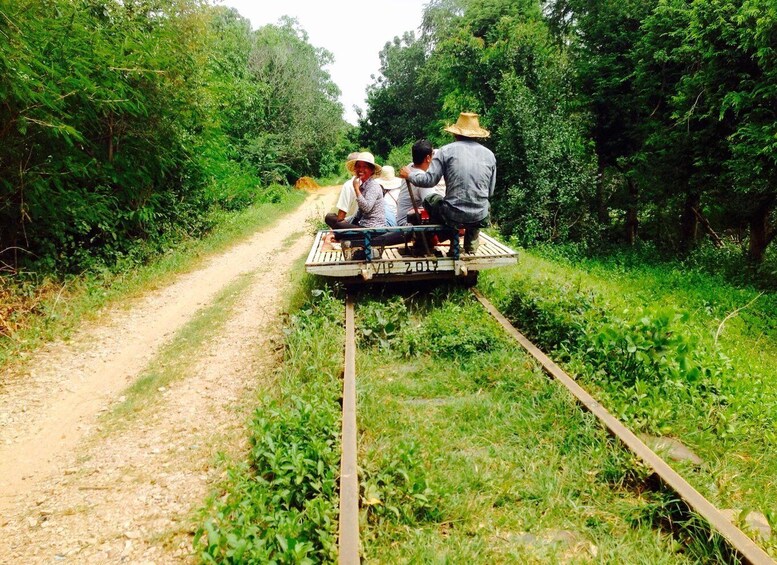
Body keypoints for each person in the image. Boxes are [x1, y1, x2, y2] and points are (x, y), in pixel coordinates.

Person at [399, 112, 496, 253]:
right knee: (483, 205)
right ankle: (471, 246)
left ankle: (452, 244)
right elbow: (490, 191)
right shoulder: (489, 155)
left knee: (432, 200)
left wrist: (409, 175)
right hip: (479, 216)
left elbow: (429, 181)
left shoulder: (445, 151)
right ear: (477, 135)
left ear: (455, 134)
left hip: (452, 216)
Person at [327, 152, 386, 239]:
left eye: (365, 167)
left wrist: (356, 189)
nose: (360, 169)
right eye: (358, 166)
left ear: (371, 170)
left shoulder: (373, 186)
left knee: (338, 225)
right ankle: (340, 233)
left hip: (372, 230)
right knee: (330, 217)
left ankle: (339, 234)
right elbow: (359, 214)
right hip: (363, 226)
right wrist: (346, 221)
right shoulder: (364, 185)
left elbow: (366, 208)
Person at [395, 139, 446, 226]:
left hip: (402, 220)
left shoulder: (409, 168)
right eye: (433, 154)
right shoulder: (422, 178)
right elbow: (434, 205)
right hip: (408, 225)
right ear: (428, 158)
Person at [325, 152, 361, 229]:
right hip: (371, 223)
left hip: (356, 224)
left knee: (329, 217)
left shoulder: (348, 185)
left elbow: (341, 216)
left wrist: (338, 226)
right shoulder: (374, 182)